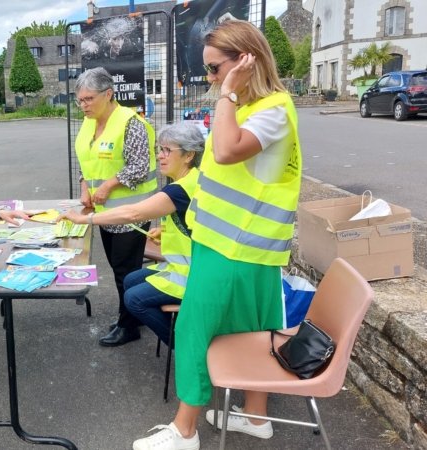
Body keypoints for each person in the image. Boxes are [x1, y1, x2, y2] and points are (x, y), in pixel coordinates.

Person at [131, 20, 302, 450]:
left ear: (246, 60)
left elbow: (225, 151)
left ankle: (184, 432)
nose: (208, 78)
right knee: (254, 329)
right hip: (237, 247)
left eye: (213, 69)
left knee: (194, 328)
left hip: (235, 248)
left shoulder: (271, 108)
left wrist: (227, 93)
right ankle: (256, 417)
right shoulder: (251, 108)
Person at [59, 122, 204, 347]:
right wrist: (164, 232)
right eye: (160, 149)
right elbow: (192, 224)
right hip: (183, 267)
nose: (160, 156)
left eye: (168, 150)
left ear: (189, 156)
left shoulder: (179, 189)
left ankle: (186, 345)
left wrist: (84, 218)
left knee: (133, 298)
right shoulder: (190, 181)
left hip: (192, 276)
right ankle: (142, 323)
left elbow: (133, 213)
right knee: (130, 279)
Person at [73, 67, 157, 347]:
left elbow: (140, 166)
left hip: (131, 213)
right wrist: (86, 187)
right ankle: (132, 314)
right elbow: (87, 161)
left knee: (126, 271)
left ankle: (129, 325)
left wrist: (108, 185)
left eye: (88, 99)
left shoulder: (130, 122)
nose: (83, 105)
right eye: (79, 100)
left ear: (108, 94)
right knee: (120, 269)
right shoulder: (89, 123)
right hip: (105, 213)